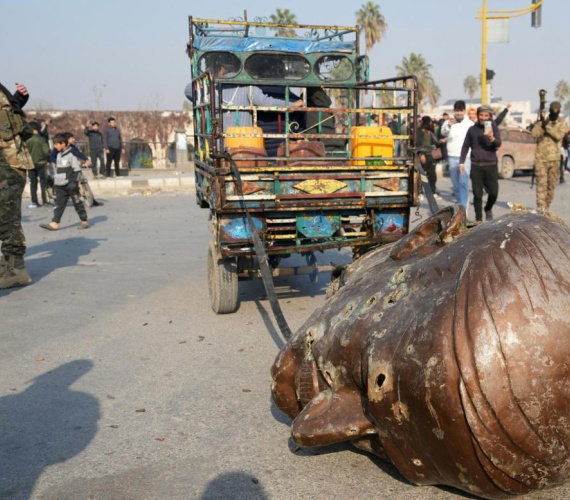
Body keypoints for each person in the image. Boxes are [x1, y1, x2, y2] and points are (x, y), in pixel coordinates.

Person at [0, 81, 33, 288]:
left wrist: (17, 100)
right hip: (9, 160)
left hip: (8, 162)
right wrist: (18, 98)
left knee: (6, 215)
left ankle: (15, 269)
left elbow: (12, 116)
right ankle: (8, 265)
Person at [459, 105, 502, 223]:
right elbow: (465, 146)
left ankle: (488, 208)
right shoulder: (472, 130)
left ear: (490, 117)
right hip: (476, 166)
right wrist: (461, 162)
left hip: (491, 165)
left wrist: (492, 138)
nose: (483, 118)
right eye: (481, 115)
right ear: (478, 116)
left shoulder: (494, 128)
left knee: (493, 192)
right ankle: (478, 220)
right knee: (477, 195)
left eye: (486, 115)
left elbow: (498, 144)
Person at [40, 134, 89, 231]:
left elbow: (77, 170)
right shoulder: (58, 155)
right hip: (60, 185)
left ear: (63, 144)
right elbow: (58, 170)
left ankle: (84, 221)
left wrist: (74, 183)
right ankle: (54, 223)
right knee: (59, 204)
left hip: (71, 184)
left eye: (56, 144)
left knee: (77, 202)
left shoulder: (72, 154)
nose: (55, 146)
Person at [531, 101, 568, 212]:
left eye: (557, 110)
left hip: (555, 159)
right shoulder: (542, 122)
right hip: (541, 159)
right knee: (541, 185)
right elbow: (534, 134)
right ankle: (541, 208)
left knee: (551, 187)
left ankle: (547, 206)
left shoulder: (561, 123)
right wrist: (541, 125)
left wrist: (547, 127)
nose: (555, 112)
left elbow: (559, 135)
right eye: (553, 109)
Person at [441, 100, 473, 215]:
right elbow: (443, 133)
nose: (459, 113)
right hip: (452, 156)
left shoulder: (469, 124)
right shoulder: (447, 123)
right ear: (454, 111)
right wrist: (449, 125)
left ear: (464, 111)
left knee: (464, 183)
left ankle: (464, 211)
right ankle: (460, 208)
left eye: (461, 111)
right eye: (457, 111)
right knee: (456, 185)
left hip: (466, 158)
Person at [25, 122, 50, 207]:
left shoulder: (27, 140)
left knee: (33, 183)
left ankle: (34, 201)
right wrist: (47, 159)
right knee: (43, 182)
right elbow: (46, 151)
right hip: (41, 163)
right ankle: (45, 200)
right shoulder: (42, 139)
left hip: (31, 164)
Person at [417, 116, 441, 200]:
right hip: (424, 155)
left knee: (432, 175)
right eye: (430, 122)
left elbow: (435, 142)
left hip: (431, 156)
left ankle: (433, 192)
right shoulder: (420, 131)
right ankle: (420, 193)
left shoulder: (430, 131)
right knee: (421, 176)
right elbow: (418, 144)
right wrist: (421, 154)